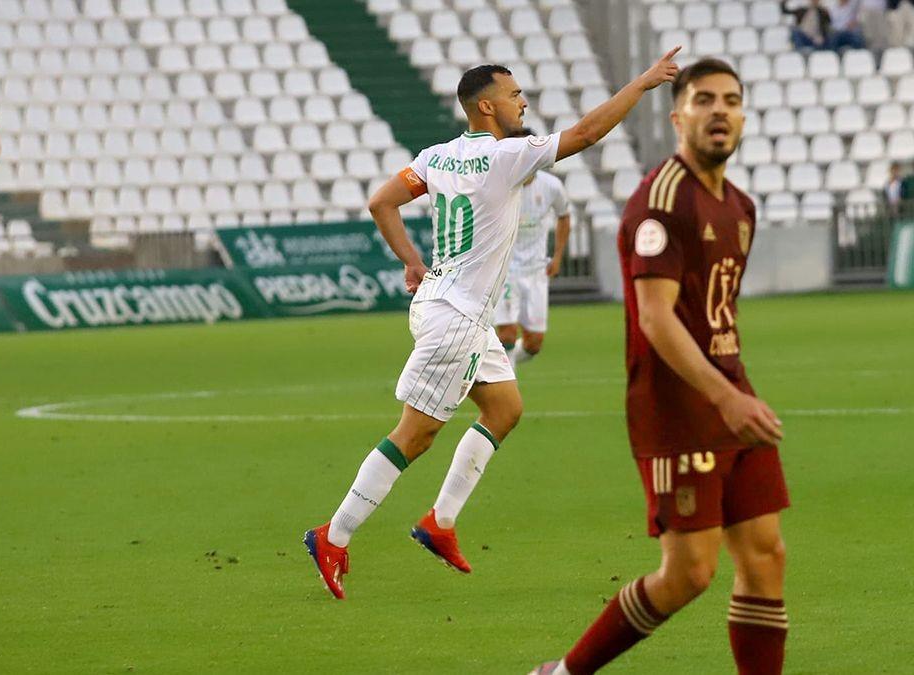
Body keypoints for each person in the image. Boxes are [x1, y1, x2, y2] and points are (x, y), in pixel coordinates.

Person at [302, 47, 682, 600]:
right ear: (486, 107)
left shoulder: (436, 157)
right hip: (455, 318)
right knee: (416, 434)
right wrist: (642, 83)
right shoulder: (507, 157)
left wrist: (412, 260)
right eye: (513, 95)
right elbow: (586, 135)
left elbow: (381, 202)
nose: (522, 102)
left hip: (452, 307)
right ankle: (332, 536)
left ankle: (440, 522)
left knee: (505, 409)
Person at [531, 58, 790, 675]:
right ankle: (562, 674)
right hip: (676, 407)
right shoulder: (660, 199)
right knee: (689, 574)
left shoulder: (741, 207)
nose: (720, 110)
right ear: (679, 117)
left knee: (765, 556)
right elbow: (655, 318)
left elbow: (713, 313)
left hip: (731, 392)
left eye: (731, 99)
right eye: (704, 100)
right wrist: (724, 399)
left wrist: (734, 393)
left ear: (744, 115)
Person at [492, 128, 571, 365]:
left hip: (536, 271)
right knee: (506, 333)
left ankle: (493, 364)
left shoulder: (552, 186)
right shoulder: (498, 186)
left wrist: (557, 257)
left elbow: (564, 216)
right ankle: (506, 387)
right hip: (505, 270)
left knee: (533, 343)